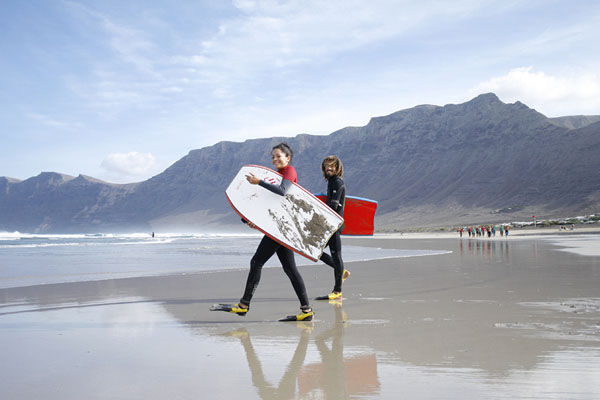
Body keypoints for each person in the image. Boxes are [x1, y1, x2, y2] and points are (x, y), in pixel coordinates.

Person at [211, 143, 314, 321]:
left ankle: (244, 305)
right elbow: (265, 203)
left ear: (288, 158)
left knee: (256, 262)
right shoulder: (275, 176)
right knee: (290, 269)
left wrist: (259, 182)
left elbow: (282, 192)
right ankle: (307, 311)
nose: (275, 159)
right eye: (272, 157)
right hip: (278, 227)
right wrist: (251, 221)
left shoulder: (289, 171)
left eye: (278, 156)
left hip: (281, 228)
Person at [315, 155, 349, 301]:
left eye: (332, 166)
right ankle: (342, 272)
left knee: (335, 255)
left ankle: (338, 291)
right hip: (330, 225)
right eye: (326, 166)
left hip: (333, 226)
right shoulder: (331, 182)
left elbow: (333, 207)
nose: (329, 168)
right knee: (317, 252)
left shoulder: (337, 182)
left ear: (337, 167)